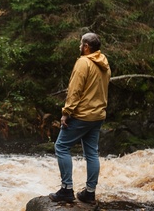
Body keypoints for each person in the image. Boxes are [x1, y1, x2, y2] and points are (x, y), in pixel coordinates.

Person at [49, 32, 111, 204]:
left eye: (81, 44)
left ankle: (66, 190)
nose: (79, 46)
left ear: (86, 47)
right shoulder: (104, 62)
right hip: (98, 115)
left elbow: (75, 90)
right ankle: (89, 193)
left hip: (82, 115)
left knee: (61, 146)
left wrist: (66, 113)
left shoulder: (83, 62)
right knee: (91, 153)